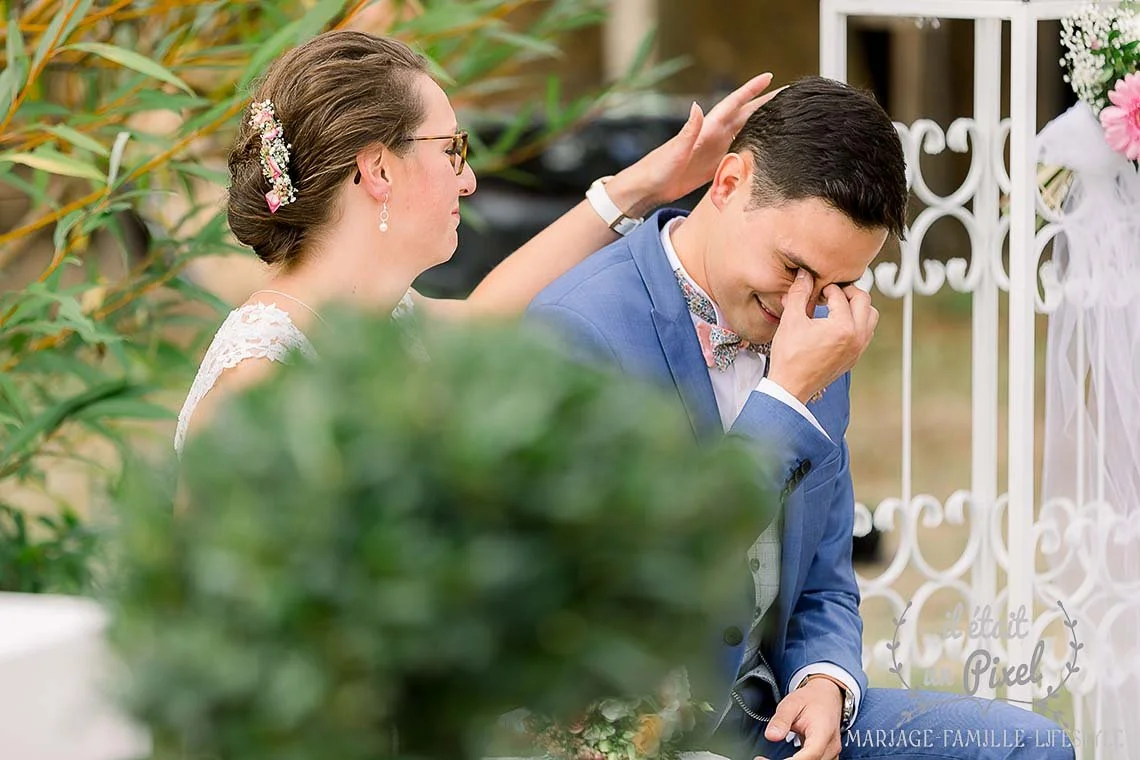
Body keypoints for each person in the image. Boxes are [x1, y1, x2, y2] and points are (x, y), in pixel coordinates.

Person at [527, 76, 1075, 760]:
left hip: (774, 719)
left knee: (1029, 748)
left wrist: (825, 680)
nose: (804, 306)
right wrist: (783, 399)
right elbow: (646, 578)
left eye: (840, 284)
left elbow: (824, 573)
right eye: (793, 267)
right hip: (637, 734)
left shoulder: (813, 333)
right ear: (728, 182)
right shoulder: (579, 333)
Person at [174, 30, 777, 453]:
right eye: (452, 149)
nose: (469, 180)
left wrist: (646, 184)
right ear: (379, 170)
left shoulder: (379, 322)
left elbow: (492, 312)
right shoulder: (261, 378)